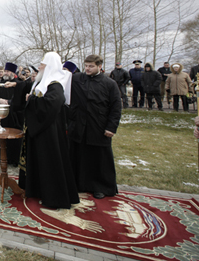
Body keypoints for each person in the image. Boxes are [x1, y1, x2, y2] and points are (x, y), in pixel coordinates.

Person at [18, 52, 79, 209]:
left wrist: (31, 100)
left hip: (49, 131)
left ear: (50, 66)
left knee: (49, 162)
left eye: (42, 65)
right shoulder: (43, 82)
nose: (39, 67)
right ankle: (38, 190)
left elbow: (52, 104)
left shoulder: (55, 84)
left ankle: (54, 197)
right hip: (40, 129)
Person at [68, 54, 122, 199]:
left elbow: (116, 107)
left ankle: (100, 187)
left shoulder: (109, 83)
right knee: (79, 156)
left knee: (100, 159)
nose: (87, 69)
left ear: (99, 66)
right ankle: (79, 184)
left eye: (91, 66)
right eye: (86, 65)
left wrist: (111, 127)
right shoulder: (76, 79)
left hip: (99, 126)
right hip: (79, 125)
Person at [0, 62, 26, 166]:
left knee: (13, 139)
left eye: (8, 71)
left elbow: (21, 100)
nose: (6, 73)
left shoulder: (18, 84)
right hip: (1, 116)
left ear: (13, 73)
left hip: (14, 117)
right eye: (5, 71)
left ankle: (12, 159)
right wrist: (0, 100)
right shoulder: (0, 84)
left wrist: (9, 102)